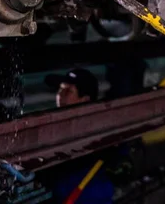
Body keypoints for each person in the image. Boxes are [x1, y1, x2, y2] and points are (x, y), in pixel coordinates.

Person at [44, 68, 114, 204]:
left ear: (85, 99)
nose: (60, 95)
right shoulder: (53, 130)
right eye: (60, 89)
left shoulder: (98, 134)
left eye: (68, 91)